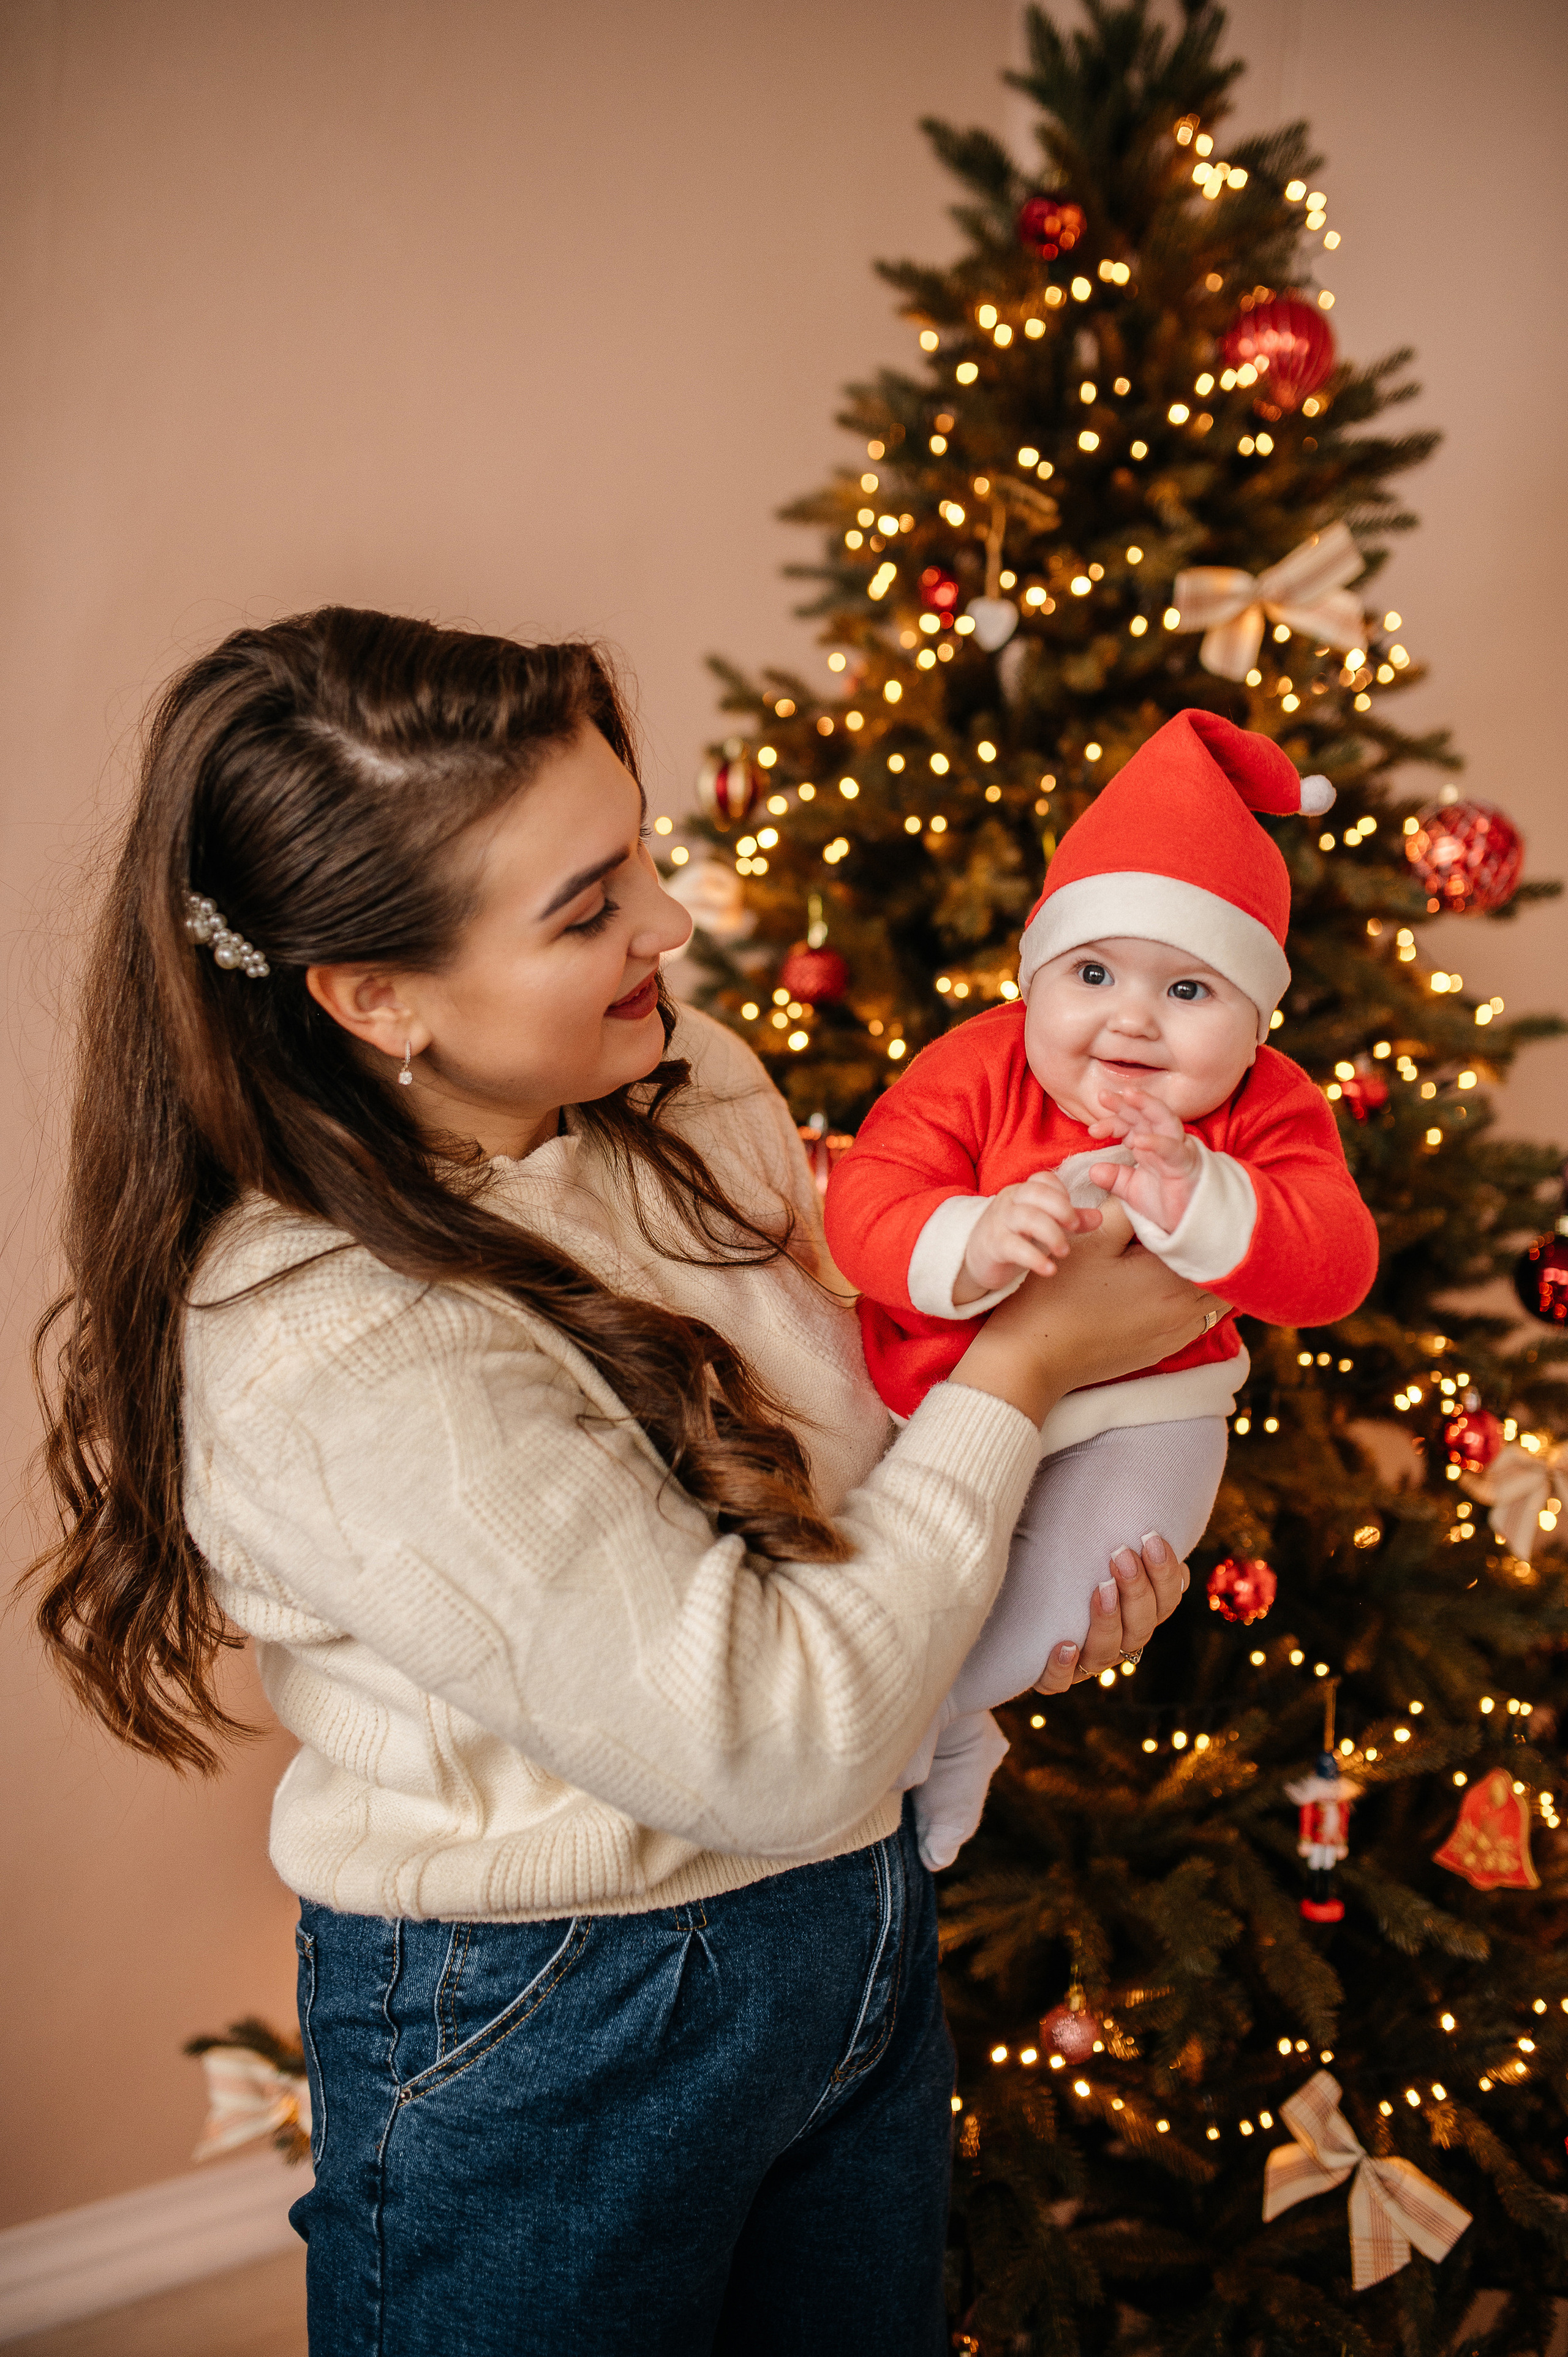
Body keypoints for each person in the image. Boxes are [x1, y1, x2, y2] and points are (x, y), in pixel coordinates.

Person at [29, 609, 1218, 2357]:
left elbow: (853, 1501)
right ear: (375, 998)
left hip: (854, 1918)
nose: (671, 921)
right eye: (588, 908)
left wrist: (1028, 1582)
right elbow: (774, 1738)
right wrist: (1028, 1373)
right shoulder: (330, 1344)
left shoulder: (680, 1081)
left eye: (642, 852)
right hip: (552, 2021)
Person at [824, 710, 1380, 1868]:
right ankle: (930, 1725)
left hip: (1145, 1415)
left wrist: (1208, 1197)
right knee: (871, 1558)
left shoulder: (1269, 1106)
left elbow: (1337, 1265)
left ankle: (933, 1714)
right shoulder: (977, 1064)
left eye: (1190, 990)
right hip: (928, 1399)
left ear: (1258, 1023)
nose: (1131, 1018)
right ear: (1035, 980)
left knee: (1075, 1595)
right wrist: (972, 1237)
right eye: (1092, 973)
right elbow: (868, 1198)